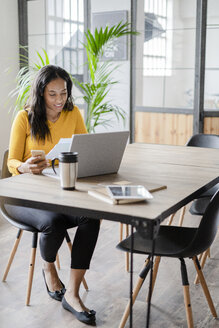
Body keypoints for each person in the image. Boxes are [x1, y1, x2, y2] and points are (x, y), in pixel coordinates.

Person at [6, 65, 100, 325]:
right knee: (54, 222)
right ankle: (48, 268)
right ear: (40, 93)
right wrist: (24, 166)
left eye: (64, 93)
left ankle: (72, 293)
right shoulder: (24, 118)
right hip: (24, 196)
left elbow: (85, 150)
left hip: (59, 190)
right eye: (53, 94)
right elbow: (12, 161)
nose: (60, 100)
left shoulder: (73, 114)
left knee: (91, 217)